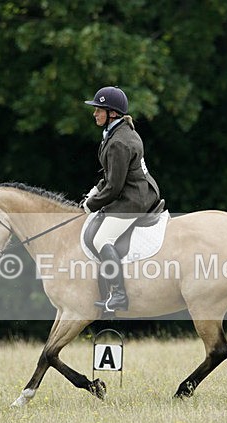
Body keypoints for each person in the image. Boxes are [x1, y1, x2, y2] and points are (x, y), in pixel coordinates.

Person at [82, 86, 161, 312]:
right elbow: (111, 175)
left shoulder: (118, 141)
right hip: (137, 190)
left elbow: (115, 188)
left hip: (134, 198)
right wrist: (94, 191)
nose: (95, 114)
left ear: (112, 113)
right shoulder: (118, 133)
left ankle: (118, 295)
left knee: (101, 239)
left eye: (99, 110)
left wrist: (91, 205)